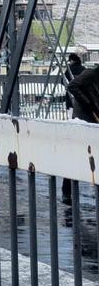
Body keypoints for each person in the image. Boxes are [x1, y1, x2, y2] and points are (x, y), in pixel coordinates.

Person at [63, 59, 99, 204]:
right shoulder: (90, 73)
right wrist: (88, 104)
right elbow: (72, 86)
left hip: (92, 119)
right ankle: (67, 192)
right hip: (83, 120)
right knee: (76, 155)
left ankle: (67, 192)